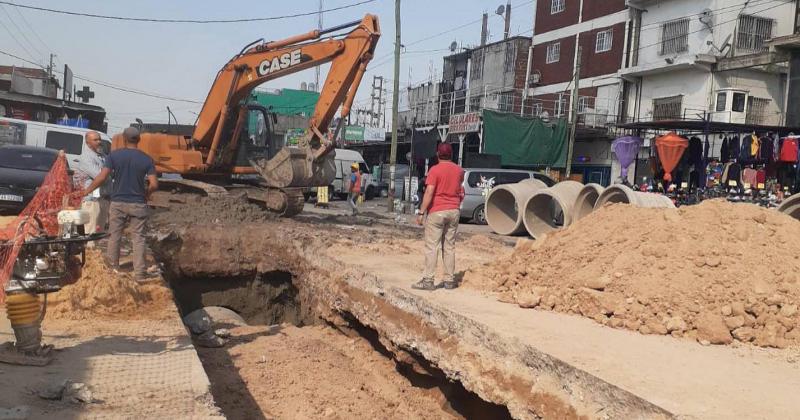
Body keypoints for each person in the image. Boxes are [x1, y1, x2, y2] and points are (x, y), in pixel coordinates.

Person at [82, 127, 158, 281]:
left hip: (117, 202)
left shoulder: (114, 156)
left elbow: (102, 177)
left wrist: (87, 190)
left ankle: (112, 268)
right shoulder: (146, 159)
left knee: (114, 236)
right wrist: (146, 194)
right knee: (139, 238)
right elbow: (154, 184)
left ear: (124, 139)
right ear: (139, 140)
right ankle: (140, 273)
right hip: (138, 203)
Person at [413, 143, 464, 291]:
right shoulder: (459, 170)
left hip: (437, 211)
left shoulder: (434, 170)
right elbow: (460, 189)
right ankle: (449, 280)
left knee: (432, 247)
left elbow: (429, 192)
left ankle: (428, 280)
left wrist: (421, 212)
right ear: (452, 155)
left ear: (437, 154)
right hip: (453, 211)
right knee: (449, 246)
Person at [72, 131, 109, 234]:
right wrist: (107, 173)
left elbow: (109, 174)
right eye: (95, 140)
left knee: (98, 232)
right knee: (90, 232)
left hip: (102, 198)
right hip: (91, 200)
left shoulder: (102, 156)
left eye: (99, 139)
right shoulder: (87, 157)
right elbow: (100, 177)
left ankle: (92, 249)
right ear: (88, 143)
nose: (99, 142)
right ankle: (88, 249)